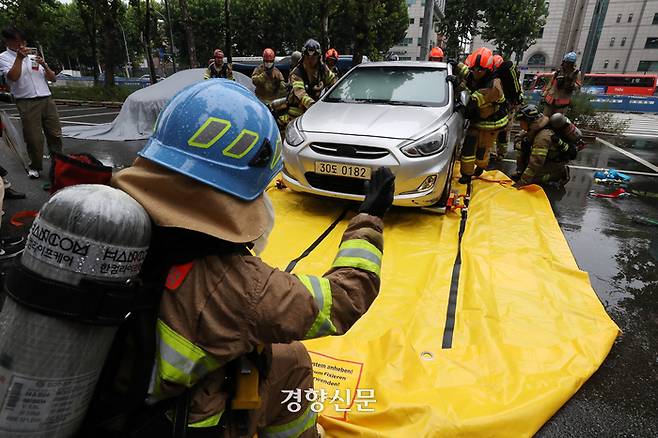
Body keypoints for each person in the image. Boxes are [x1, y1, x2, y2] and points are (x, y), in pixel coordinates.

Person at [112, 79, 395, 437]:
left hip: (114, 400)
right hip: (179, 422)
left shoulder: (110, 223)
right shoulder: (240, 287)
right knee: (292, 363)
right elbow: (342, 300)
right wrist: (370, 218)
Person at [0, 26, 62, 180]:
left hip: (46, 98)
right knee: (34, 137)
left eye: (23, 41)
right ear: (8, 41)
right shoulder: (3, 57)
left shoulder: (33, 56)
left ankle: (59, 164)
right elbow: (13, 77)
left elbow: (52, 79)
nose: (21, 44)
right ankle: (35, 166)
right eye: (17, 41)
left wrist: (44, 65)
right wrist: (19, 58)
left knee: (55, 134)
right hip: (26, 101)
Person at [458, 47, 508, 184]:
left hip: (491, 123)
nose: (476, 72)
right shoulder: (476, 74)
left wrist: (459, 86)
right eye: (474, 69)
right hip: (478, 119)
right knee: (468, 147)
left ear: (488, 70)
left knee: (481, 151)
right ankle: (467, 174)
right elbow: (467, 73)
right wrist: (455, 65)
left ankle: (480, 167)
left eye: (480, 70)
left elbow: (472, 102)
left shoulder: (492, 86)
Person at [279, 39, 337, 128]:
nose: (310, 60)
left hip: (316, 111)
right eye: (307, 56)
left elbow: (334, 82)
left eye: (314, 57)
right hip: (297, 110)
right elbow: (300, 93)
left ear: (319, 56)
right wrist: (312, 105)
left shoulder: (323, 69)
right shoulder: (297, 72)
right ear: (303, 55)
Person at [512, 104, 570, 188]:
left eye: (522, 121)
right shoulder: (535, 127)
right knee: (521, 145)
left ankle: (558, 175)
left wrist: (523, 182)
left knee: (534, 179)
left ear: (529, 121)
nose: (520, 124)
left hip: (553, 163)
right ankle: (521, 172)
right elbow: (521, 141)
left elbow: (536, 162)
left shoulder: (542, 138)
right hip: (546, 160)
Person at [542, 52, 581, 116]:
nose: (566, 64)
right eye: (566, 62)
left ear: (572, 64)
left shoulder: (576, 73)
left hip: (562, 102)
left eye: (569, 63)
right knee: (545, 118)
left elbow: (578, 86)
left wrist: (570, 83)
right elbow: (551, 82)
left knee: (557, 120)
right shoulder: (559, 71)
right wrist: (545, 93)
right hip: (551, 99)